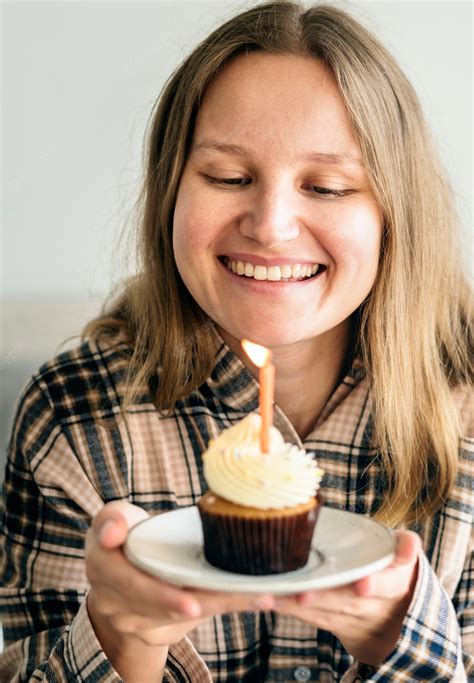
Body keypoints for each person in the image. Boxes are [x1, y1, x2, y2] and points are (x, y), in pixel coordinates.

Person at [1, 1, 472, 681]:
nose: (272, 225)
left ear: (393, 216)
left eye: (328, 186)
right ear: (171, 192)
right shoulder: (77, 415)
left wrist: (406, 642)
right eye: (229, 177)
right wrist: (120, 636)